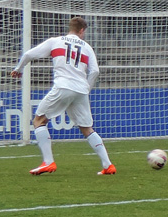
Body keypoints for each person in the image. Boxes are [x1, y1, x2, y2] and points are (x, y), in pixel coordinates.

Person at [11, 17, 116, 175]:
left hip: (63, 86)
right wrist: (87, 88)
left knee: (39, 120)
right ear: (81, 30)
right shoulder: (87, 47)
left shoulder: (56, 41)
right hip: (81, 90)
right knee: (87, 128)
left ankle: (48, 162)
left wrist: (19, 69)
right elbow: (95, 71)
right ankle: (108, 165)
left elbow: (29, 54)